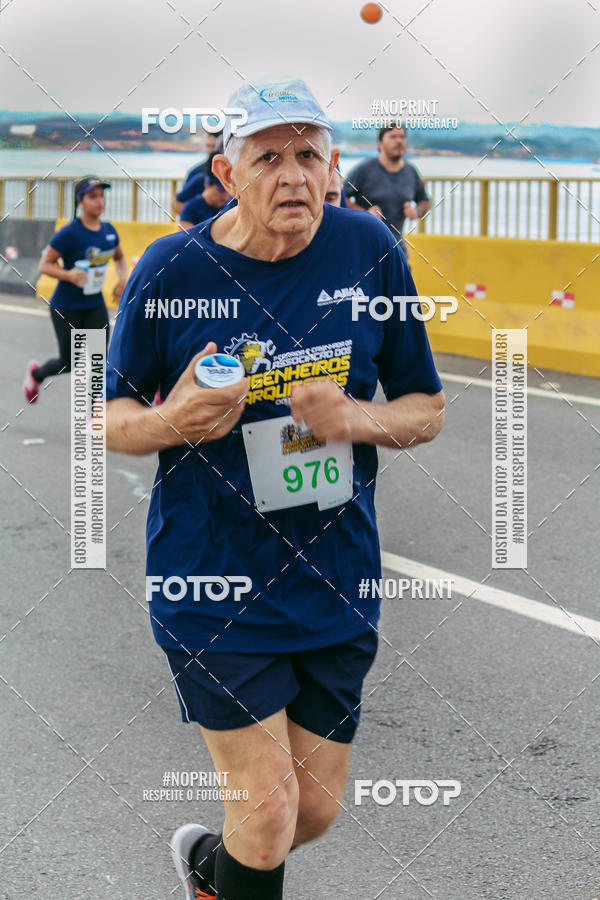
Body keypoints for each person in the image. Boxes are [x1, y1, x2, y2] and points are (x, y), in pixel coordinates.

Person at [105, 74, 444, 900]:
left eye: (308, 155)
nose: (293, 176)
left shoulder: (371, 250)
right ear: (227, 175)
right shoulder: (171, 268)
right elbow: (106, 419)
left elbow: (425, 409)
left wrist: (353, 420)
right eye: (267, 158)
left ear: (333, 168)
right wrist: (176, 419)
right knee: (265, 811)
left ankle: (205, 873)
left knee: (312, 813)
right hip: (210, 575)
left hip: (335, 577)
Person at [23, 176, 128, 404]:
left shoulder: (109, 231)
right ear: (80, 201)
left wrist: (123, 278)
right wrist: (69, 275)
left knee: (98, 363)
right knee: (69, 362)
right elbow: (45, 265)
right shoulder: (69, 233)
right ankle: (36, 374)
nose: (99, 201)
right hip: (66, 307)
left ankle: (94, 419)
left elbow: (120, 258)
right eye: (92, 197)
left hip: (94, 305)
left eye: (101, 196)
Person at [344, 123, 430, 253]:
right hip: (365, 251)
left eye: (402, 137)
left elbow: (425, 202)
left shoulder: (410, 172)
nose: (399, 141)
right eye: (393, 137)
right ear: (380, 143)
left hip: (397, 250)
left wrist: (416, 211)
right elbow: (340, 197)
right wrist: (364, 213)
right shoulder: (365, 169)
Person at [173, 132, 224, 215]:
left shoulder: (233, 172)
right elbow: (177, 202)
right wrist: (200, 219)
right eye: (208, 146)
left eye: (214, 146)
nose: (211, 150)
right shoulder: (197, 173)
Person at [178, 155, 231, 229]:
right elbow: (187, 236)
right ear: (207, 185)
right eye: (220, 191)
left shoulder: (229, 206)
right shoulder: (190, 207)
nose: (225, 196)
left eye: (227, 191)